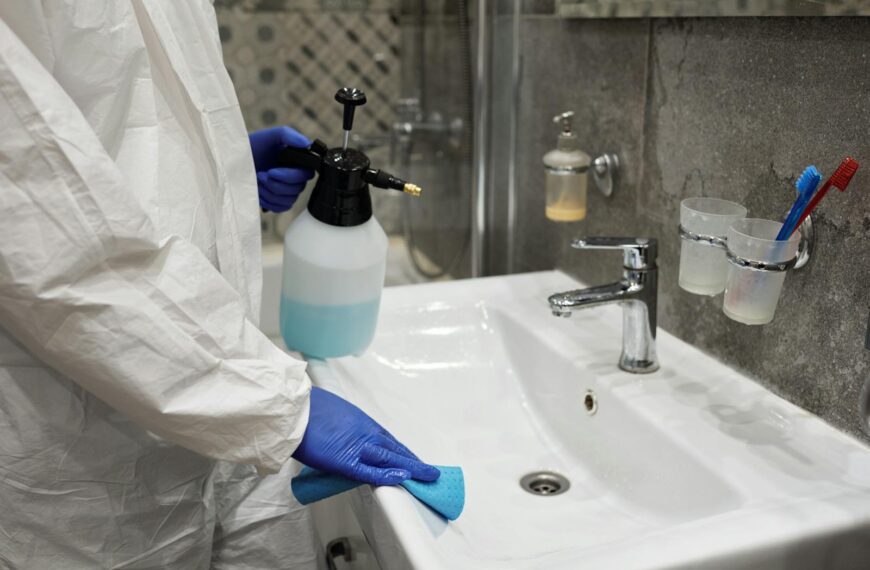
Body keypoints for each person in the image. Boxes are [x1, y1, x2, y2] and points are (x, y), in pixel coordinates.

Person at [0, 3, 438, 568]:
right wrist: (281, 409)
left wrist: (216, 171)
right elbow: (46, 234)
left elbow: (114, 114)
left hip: (218, 389)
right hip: (86, 452)